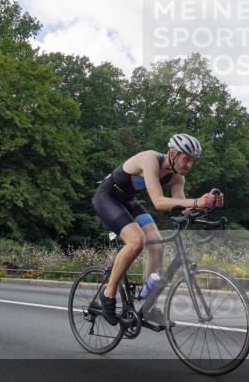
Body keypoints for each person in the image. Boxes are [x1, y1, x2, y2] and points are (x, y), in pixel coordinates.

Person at [91, 134, 223, 326]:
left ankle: (149, 306)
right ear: (172, 153)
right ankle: (108, 294)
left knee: (157, 246)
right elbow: (159, 202)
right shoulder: (150, 159)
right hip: (106, 198)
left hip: (128, 202)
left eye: (192, 161)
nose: (189, 165)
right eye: (186, 158)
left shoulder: (178, 177)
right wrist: (197, 202)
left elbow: (183, 208)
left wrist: (207, 205)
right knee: (137, 241)